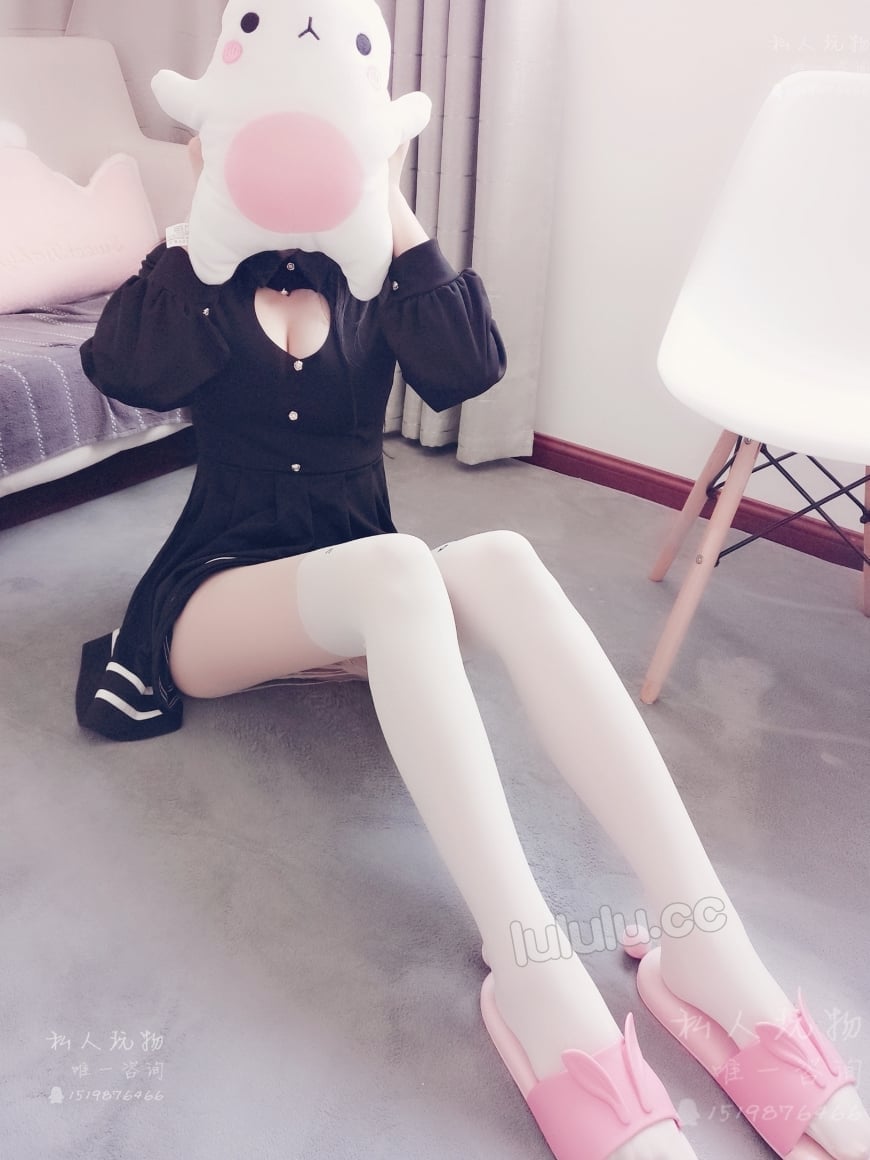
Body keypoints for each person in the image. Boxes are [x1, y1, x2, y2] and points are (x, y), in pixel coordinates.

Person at [75, 138, 869, 1160]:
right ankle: (534, 970)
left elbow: (467, 369)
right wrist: (210, 196)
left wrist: (380, 182)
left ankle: (705, 939)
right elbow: (127, 370)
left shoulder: (370, 268)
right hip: (217, 593)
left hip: (364, 595)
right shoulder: (206, 267)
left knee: (497, 556)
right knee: (398, 567)